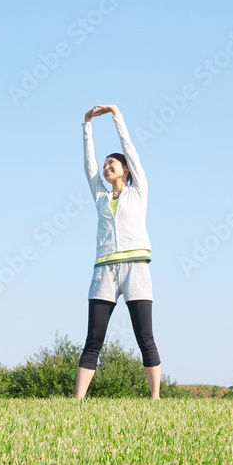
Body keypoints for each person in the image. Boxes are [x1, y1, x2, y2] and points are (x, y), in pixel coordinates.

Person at [76, 104, 161, 401]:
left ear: (125, 169)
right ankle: (78, 400)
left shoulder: (138, 192)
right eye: (105, 163)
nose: (105, 165)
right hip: (104, 271)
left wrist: (116, 116)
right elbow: (88, 163)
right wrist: (87, 123)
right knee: (93, 339)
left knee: (144, 337)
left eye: (112, 162)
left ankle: (155, 398)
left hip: (136, 267)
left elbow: (130, 149)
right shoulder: (100, 194)